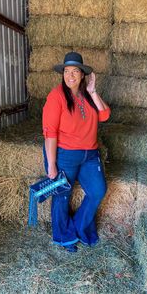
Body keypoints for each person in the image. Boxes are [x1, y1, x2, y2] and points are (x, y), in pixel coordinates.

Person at [42, 51, 111, 253]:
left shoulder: (87, 95)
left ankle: (79, 227)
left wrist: (93, 91)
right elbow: (50, 133)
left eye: (75, 71)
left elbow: (105, 115)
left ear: (82, 74)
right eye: (66, 71)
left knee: (98, 190)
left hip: (89, 154)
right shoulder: (56, 97)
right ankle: (63, 236)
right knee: (63, 195)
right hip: (65, 154)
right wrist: (52, 164)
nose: (70, 75)